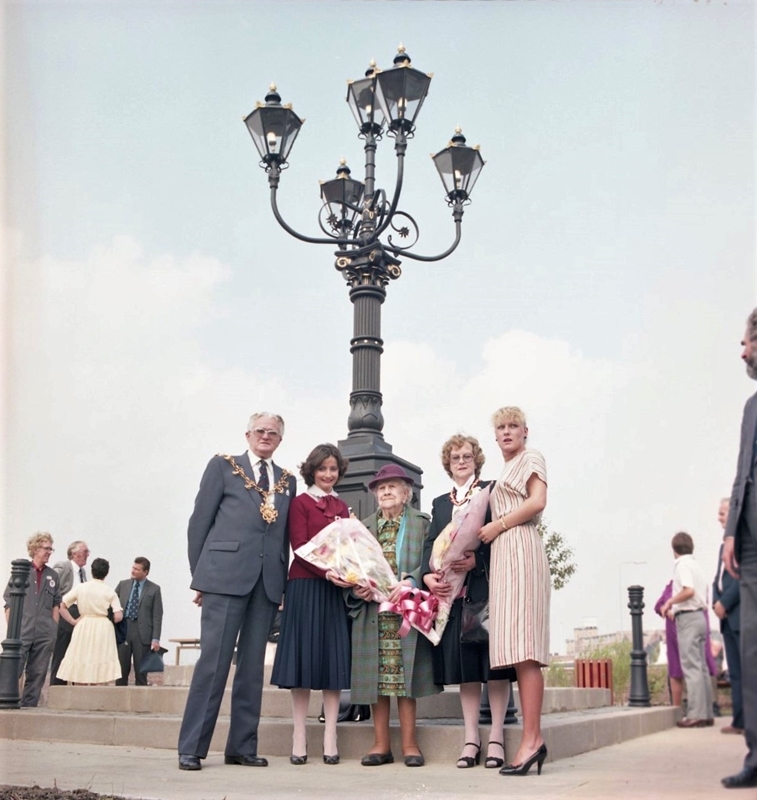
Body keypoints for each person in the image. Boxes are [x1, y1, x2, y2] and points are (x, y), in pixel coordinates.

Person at [177, 412, 296, 772]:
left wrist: (283, 582)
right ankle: (193, 747)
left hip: (267, 582)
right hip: (223, 578)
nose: (266, 436)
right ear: (247, 434)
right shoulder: (223, 466)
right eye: (260, 431)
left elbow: (285, 534)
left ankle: (242, 746)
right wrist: (200, 577)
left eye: (273, 433)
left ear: (280, 440)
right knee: (213, 663)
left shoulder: (287, 481)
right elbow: (199, 522)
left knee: (251, 668)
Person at [422, 434, 515, 769]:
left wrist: (479, 560)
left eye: (466, 456)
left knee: (496, 668)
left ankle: (497, 738)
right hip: (452, 597)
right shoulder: (439, 503)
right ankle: (471, 738)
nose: (461, 461)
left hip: (484, 592)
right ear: (448, 464)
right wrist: (426, 576)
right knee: (467, 672)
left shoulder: (490, 491)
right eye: (455, 457)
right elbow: (430, 543)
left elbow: (504, 535)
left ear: (476, 460)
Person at [347, 464, 439, 767]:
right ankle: (380, 745)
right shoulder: (362, 528)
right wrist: (356, 589)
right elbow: (350, 570)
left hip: (406, 612)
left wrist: (411, 581)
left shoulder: (422, 524)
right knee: (377, 681)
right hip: (373, 613)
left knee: (404, 679)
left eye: (392, 486)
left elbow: (430, 563)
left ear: (405, 493)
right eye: (381, 488)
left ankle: (411, 745)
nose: (386, 491)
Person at [271, 443, 352, 765]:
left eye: (333, 469)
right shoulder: (300, 503)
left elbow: (349, 548)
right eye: (323, 469)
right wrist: (328, 570)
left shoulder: (343, 507)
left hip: (334, 591)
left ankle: (330, 734)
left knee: (332, 663)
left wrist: (346, 572)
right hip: (305, 585)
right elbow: (300, 546)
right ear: (312, 471)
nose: (328, 474)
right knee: (303, 662)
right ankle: (299, 734)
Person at [479, 406, 549, 776]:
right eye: (501, 427)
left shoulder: (531, 457)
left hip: (520, 547)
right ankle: (531, 738)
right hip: (504, 556)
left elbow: (538, 501)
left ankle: (532, 739)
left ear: (525, 431)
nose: (506, 432)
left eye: (513, 426)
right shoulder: (503, 470)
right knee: (515, 647)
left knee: (526, 649)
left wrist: (499, 525)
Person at [722, 308, 757, 789]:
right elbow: (741, 472)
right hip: (748, 547)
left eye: (747, 340)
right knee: (751, 651)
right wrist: (730, 531)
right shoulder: (751, 405)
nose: (743, 349)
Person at [658, 532, 713, 728]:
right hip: (700, 616)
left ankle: (696, 713)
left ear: (674, 550)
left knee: (691, 666)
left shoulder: (682, 565)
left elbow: (688, 590)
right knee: (701, 667)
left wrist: (670, 603)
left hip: (688, 617)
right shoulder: (697, 565)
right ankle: (706, 712)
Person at [3, 532, 62, 707]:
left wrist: (53, 629)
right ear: (35, 549)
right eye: (46, 548)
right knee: (14, 670)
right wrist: (13, 629)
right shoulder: (21, 571)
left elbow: (56, 604)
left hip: (45, 632)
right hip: (23, 630)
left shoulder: (53, 575)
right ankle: (6, 704)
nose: (49, 552)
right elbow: (8, 602)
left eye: (51, 549)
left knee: (38, 673)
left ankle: (29, 708)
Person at [56, 557, 123, 684]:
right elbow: (118, 616)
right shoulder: (109, 591)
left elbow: (62, 605)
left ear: (92, 571)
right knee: (100, 658)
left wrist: (72, 621)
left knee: (81, 656)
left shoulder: (81, 588)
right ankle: (96, 690)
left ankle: (80, 690)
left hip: (83, 624)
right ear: (106, 573)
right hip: (103, 627)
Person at [653, 580, 717, 709]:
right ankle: (677, 708)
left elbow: (698, 603)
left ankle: (706, 706)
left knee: (700, 664)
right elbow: (659, 605)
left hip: (692, 627)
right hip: (673, 630)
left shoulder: (695, 583)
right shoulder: (671, 585)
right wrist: (666, 610)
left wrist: (674, 606)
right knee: (675, 668)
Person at [713, 497, 743, 735]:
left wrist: (725, 602)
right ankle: (740, 720)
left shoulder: (744, 542)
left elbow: (741, 577)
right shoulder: (724, 547)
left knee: (746, 670)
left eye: (723, 513)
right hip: (725, 618)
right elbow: (719, 580)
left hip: (739, 615)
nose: (719, 518)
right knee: (734, 670)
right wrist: (715, 601)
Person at [115, 557, 163, 686]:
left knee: (141, 672)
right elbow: (112, 606)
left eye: (137, 569)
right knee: (120, 671)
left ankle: (140, 704)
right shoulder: (122, 585)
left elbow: (157, 615)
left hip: (142, 633)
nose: (133, 571)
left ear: (145, 572)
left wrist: (155, 638)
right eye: (133, 568)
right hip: (124, 629)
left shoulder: (154, 589)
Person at [50, 540, 90, 685]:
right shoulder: (63, 567)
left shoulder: (83, 573)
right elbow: (52, 587)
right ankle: (56, 687)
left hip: (78, 614)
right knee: (61, 652)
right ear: (74, 554)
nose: (87, 555)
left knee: (76, 654)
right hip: (65, 611)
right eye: (85, 552)